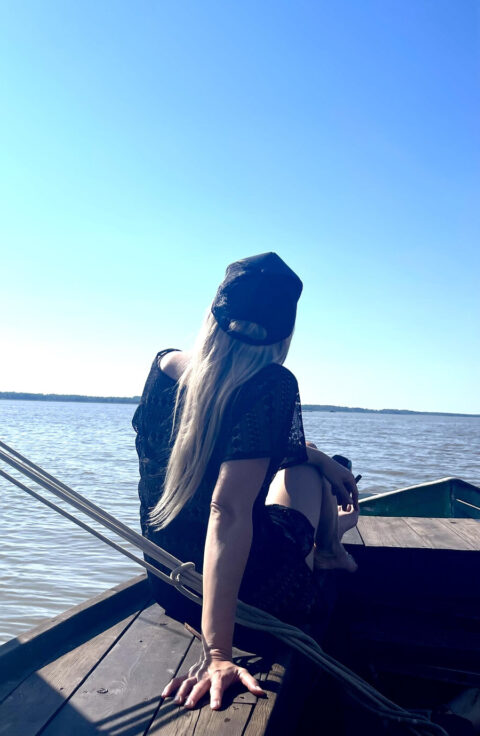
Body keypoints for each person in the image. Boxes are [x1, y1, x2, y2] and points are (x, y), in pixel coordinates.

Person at [132, 252, 360, 712]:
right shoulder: (270, 384)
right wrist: (219, 653)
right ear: (284, 331)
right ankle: (334, 543)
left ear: (216, 311)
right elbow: (229, 513)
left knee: (312, 458)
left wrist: (312, 456)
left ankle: (335, 536)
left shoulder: (164, 365)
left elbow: (225, 453)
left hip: (169, 582)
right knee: (317, 466)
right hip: (249, 592)